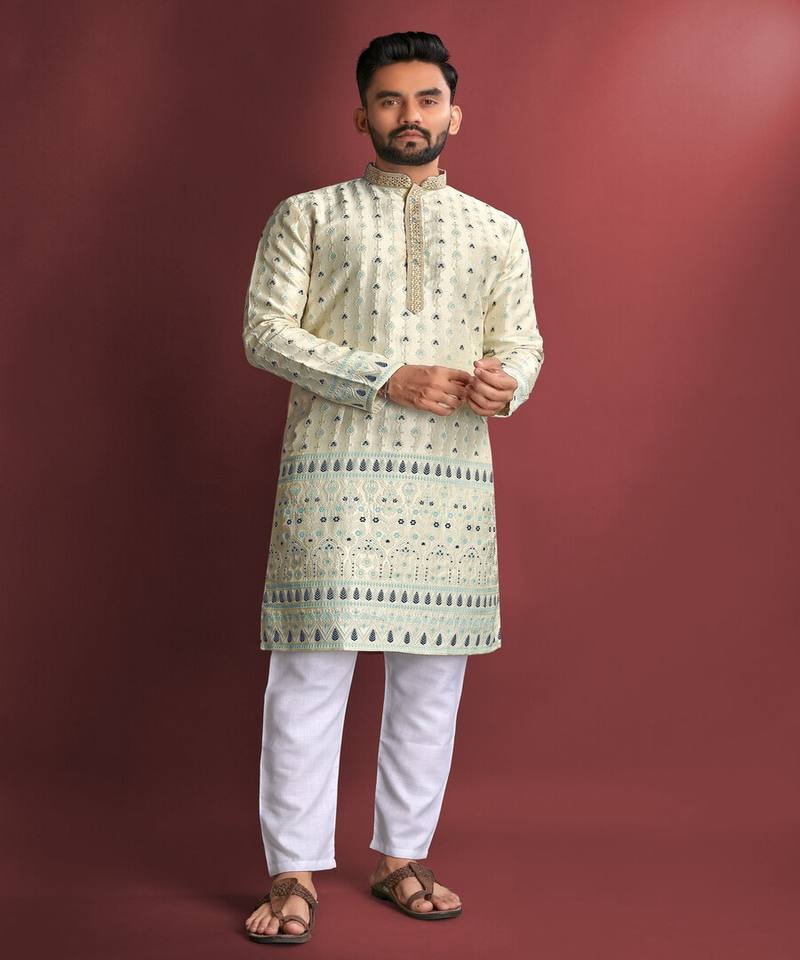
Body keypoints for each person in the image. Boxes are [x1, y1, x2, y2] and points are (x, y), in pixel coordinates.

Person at [241, 30, 544, 944]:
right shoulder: (308, 215)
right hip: (333, 473)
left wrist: (506, 384)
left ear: (455, 113)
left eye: (425, 99)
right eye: (389, 100)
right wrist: (385, 377)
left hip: (449, 480)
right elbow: (265, 333)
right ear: (361, 114)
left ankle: (402, 856)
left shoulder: (497, 231)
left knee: (432, 677)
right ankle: (293, 871)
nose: (409, 116)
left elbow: (522, 343)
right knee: (309, 672)